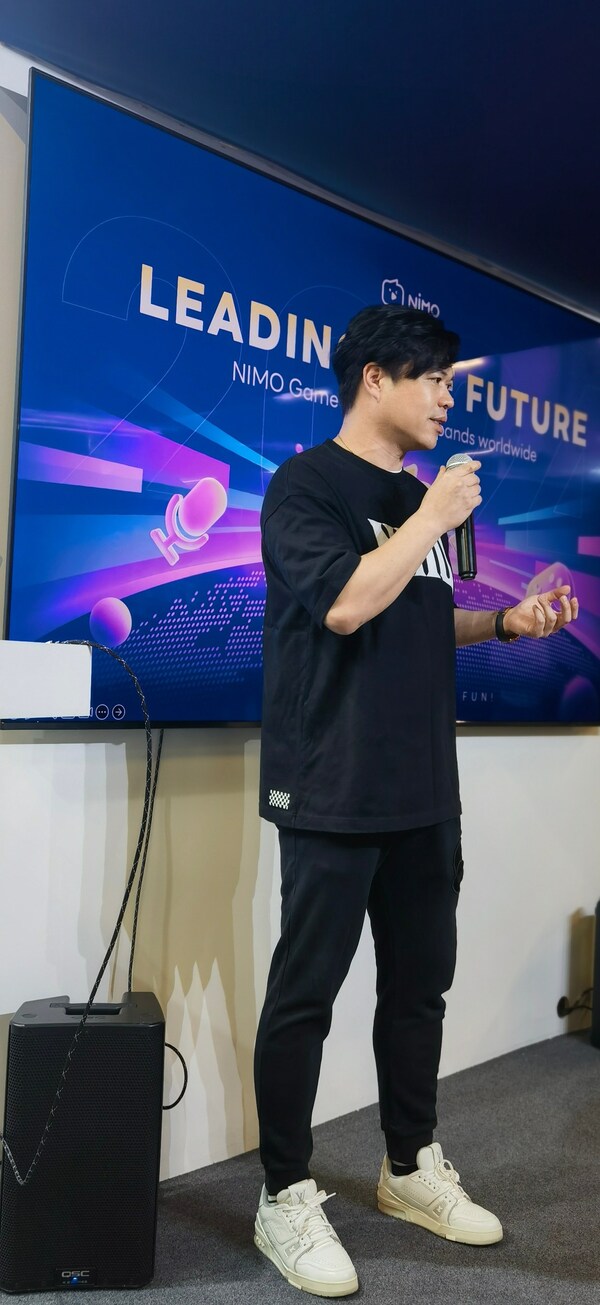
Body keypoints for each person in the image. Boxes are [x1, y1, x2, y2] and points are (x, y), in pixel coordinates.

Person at [252, 304, 578, 1297]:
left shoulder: (418, 497)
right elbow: (347, 603)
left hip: (424, 788)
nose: (446, 399)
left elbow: (419, 615)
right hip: (330, 784)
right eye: (433, 379)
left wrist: (508, 624)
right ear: (376, 379)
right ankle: (283, 1193)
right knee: (305, 997)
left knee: (419, 987)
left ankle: (408, 1166)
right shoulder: (306, 485)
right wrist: (431, 517)